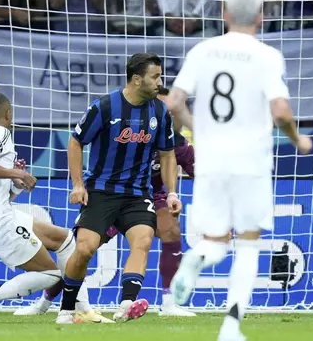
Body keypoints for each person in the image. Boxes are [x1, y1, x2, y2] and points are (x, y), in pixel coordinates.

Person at [165, 0, 313, 341]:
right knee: (247, 244)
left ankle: (196, 258)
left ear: (224, 14)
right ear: (261, 17)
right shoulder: (267, 56)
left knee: (215, 241)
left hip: (211, 159)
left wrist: (198, 127)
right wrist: (298, 140)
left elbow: (173, 103)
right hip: (251, 161)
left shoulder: (202, 50)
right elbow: (280, 110)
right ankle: (231, 327)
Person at [14, 87, 196, 318]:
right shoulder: (125, 133)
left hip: (147, 200)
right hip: (109, 196)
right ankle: (45, 302)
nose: (158, 114)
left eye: (165, 111)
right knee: (80, 252)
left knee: (170, 229)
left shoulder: (178, 146)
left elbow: (202, 176)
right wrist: (80, 185)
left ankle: (168, 303)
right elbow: (79, 143)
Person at [0, 92, 110, 324]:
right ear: (8, 114)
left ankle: (83, 310)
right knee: (50, 274)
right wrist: (18, 173)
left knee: (65, 240)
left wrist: (15, 184)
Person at [55, 53, 182, 325]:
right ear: (137, 80)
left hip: (137, 193)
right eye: (155, 77)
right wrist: (78, 184)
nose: (161, 82)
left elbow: (168, 154)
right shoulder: (104, 107)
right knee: (85, 248)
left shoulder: (160, 112)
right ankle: (66, 309)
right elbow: (75, 142)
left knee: (143, 240)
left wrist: (172, 192)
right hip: (100, 190)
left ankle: (127, 304)